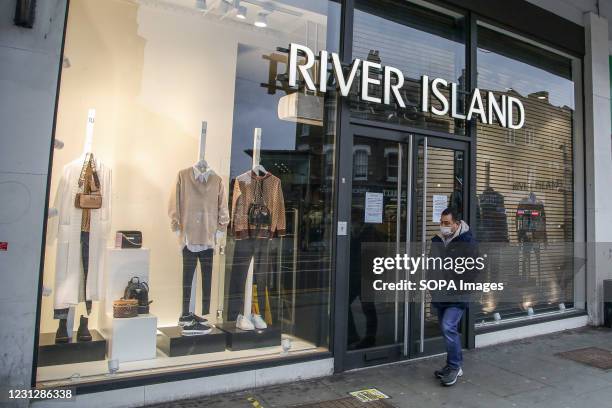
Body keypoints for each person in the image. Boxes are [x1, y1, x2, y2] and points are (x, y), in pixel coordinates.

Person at [429, 207, 478, 386]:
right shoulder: (437, 240)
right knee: (445, 329)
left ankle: (455, 367)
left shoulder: (468, 242)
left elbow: (473, 270)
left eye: (447, 223)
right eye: (441, 223)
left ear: (457, 224)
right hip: (441, 292)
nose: (443, 226)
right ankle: (452, 365)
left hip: (458, 293)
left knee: (448, 326)